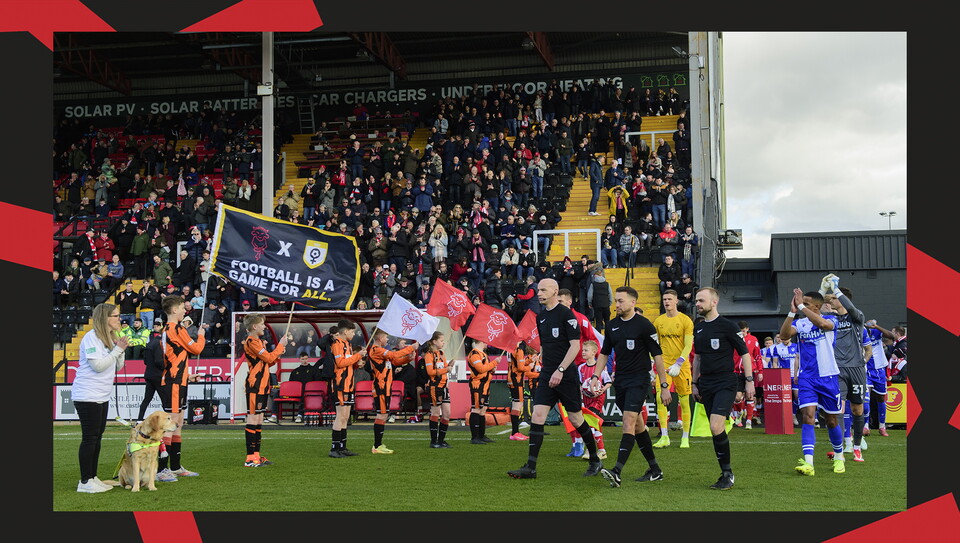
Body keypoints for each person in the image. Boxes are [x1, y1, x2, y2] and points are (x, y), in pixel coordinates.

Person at [507, 278, 603, 480]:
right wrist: (541, 360)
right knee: (537, 416)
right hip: (547, 374)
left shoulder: (566, 315)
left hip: (565, 375)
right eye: (538, 290)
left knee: (576, 419)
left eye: (543, 290)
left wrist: (560, 370)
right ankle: (531, 467)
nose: (539, 293)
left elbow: (575, 346)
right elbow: (544, 345)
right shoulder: (541, 317)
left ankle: (595, 459)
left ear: (555, 291)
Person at [596, 286, 670, 488]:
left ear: (633, 302)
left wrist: (664, 385)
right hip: (620, 381)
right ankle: (655, 470)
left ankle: (617, 471)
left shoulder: (645, 325)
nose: (617, 304)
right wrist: (595, 376)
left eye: (620, 301)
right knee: (638, 426)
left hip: (639, 380)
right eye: (616, 301)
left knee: (628, 421)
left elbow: (657, 356)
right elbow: (604, 353)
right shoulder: (612, 325)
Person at [690, 287, 754, 490]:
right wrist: (694, 383)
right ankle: (724, 473)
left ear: (714, 302)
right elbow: (697, 358)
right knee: (714, 429)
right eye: (696, 300)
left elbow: (745, 354)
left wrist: (749, 381)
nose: (697, 304)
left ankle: (728, 474)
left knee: (716, 426)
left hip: (726, 381)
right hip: (706, 383)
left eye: (701, 300)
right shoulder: (699, 328)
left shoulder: (728, 326)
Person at [779, 288, 845, 476]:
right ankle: (809, 463)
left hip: (828, 376)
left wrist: (801, 306)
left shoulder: (831, 319)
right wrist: (792, 312)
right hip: (807, 378)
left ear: (817, 306)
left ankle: (839, 456)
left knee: (831, 420)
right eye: (802, 303)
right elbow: (784, 336)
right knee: (808, 416)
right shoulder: (800, 323)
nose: (802, 305)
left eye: (806, 304)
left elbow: (823, 324)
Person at [73, 303, 128, 493]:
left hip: (101, 395)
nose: (119, 319)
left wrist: (120, 349)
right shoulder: (92, 337)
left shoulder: (109, 338)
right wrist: (117, 350)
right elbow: (97, 366)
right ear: (105, 318)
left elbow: (117, 366)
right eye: (115, 316)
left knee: (97, 437)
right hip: (87, 395)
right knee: (90, 438)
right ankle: (85, 481)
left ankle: (92, 476)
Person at [155, 294, 206, 483]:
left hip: (179, 379)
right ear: (175, 310)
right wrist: (201, 335)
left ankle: (175, 467)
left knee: (178, 423)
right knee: (171, 424)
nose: (185, 311)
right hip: (174, 381)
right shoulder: (176, 328)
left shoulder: (170, 329)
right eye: (183, 308)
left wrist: (187, 376)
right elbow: (197, 349)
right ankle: (161, 469)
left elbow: (176, 356)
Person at [822, 279, 871, 462]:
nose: (831, 302)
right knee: (838, 409)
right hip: (837, 369)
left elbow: (850, 307)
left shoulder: (856, 317)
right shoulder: (831, 319)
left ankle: (857, 447)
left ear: (843, 299)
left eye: (834, 298)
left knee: (857, 409)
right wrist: (823, 289)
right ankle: (841, 448)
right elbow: (815, 311)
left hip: (856, 369)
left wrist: (836, 289)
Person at [241, 313, 288, 467]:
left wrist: (279, 352)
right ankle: (250, 458)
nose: (264, 326)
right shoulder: (251, 341)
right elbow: (267, 358)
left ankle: (256, 455)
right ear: (254, 326)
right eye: (262, 324)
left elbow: (269, 362)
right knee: (253, 419)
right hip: (255, 385)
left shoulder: (259, 342)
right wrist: (280, 346)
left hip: (262, 385)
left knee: (259, 419)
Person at [652, 290, 695, 449]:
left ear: (676, 301)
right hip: (664, 364)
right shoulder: (658, 321)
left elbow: (688, 345)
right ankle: (664, 436)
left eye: (670, 299)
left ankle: (685, 437)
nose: (667, 302)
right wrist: (653, 361)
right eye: (664, 299)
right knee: (660, 398)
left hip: (681, 365)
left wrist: (679, 362)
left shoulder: (685, 320)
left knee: (684, 401)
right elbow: (654, 344)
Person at [367, 330, 417, 454]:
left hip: (386, 386)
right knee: (382, 415)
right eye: (386, 337)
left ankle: (378, 445)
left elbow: (394, 362)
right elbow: (394, 356)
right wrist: (410, 348)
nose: (387, 339)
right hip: (381, 386)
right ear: (379, 337)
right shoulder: (376, 350)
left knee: (383, 415)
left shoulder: (382, 351)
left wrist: (407, 358)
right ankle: (377, 446)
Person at [329, 319, 367, 457]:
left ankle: (342, 447)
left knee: (345, 416)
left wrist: (358, 361)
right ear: (345, 332)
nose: (354, 334)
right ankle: (334, 449)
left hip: (349, 384)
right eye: (352, 331)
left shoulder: (348, 345)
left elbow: (349, 363)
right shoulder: (337, 344)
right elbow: (340, 363)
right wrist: (357, 356)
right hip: (341, 384)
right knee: (340, 416)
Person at [423, 331, 453, 448]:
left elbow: (443, 368)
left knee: (447, 414)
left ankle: (441, 440)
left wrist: (449, 366)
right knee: (435, 413)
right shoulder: (429, 355)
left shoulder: (441, 353)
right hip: (435, 387)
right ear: (434, 341)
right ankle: (433, 441)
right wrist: (446, 369)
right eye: (441, 340)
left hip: (444, 387)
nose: (443, 343)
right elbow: (430, 372)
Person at [466, 339, 498, 445]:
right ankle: (474, 437)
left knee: (482, 410)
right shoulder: (474, 354)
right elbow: (480, 369)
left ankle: (481, 435)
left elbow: (485, 369)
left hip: (485, 385)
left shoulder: (483, 354)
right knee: (476, 409)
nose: (487, 343)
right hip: (477, 385)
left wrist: (492, 370)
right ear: (480, 341)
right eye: (485, 341)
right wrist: (494, 362)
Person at [864, 319, 892, 437]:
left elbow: (891, 336)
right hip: (865, 369)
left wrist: (877, 326)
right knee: (866, 398)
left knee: (881, 398)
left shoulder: (876, 332)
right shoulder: (860, 333)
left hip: (879, 369)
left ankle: (882, 426)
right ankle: (865, 426)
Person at [136, 321, 166, 421]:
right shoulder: (159, 344)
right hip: (158, 375)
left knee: (146, 399)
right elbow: (158, 361)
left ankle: (139, 420)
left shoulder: (149, 344)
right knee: (165, 399)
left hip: (149, 374)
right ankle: (168, 420)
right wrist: (165, 367)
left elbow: (145, 361)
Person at [507, 344, 534, 440]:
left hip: (512, 378)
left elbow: (517, 363)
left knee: (516, 404)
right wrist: (530, 367)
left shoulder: (511, 348)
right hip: (517, 380)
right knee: (517, 405)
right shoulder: (518, 350)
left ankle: (514, 432)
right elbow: (520, 367)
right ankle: (515, 432)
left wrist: (529, 361)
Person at [289, 353, 320, 423]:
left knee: (304, 394)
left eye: (306, 359)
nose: (305, 361)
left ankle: (300, 415)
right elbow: (291, 384)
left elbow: (317, 382)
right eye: (303, 359)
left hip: (311, 392)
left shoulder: (313, 370)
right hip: (298, 392)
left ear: (308, 359)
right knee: (277, 394)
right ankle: (274, 415)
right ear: (299, 359)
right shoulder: (295, 371)